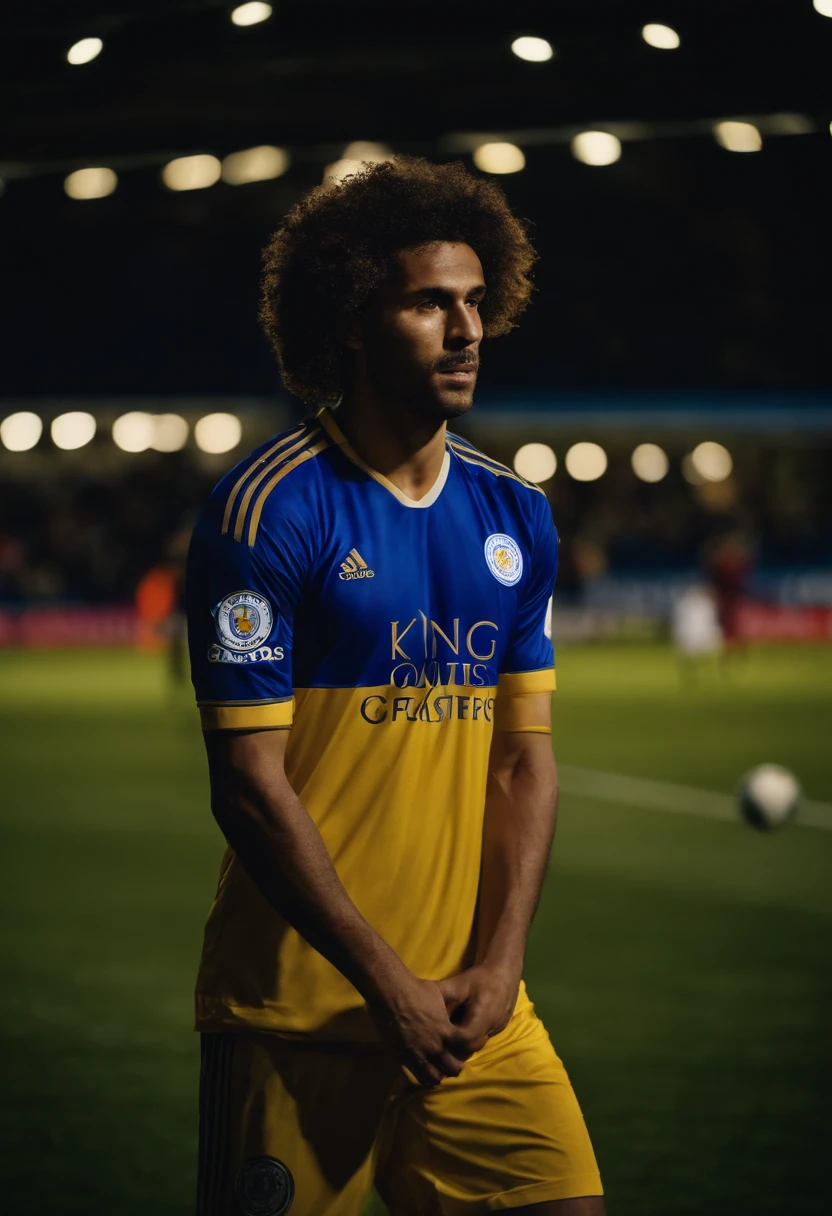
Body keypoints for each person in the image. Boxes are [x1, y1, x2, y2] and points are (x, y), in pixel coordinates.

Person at [187, 157, 604, 1216]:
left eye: (475, 302)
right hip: (305, 1011)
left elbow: (523, 760)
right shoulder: (269, 509)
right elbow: (247, 784)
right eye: (429, 302)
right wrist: (387, 986)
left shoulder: (516, 515)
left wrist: (499, 966)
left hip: (474, 1009)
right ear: (353, 323)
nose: (465, 330)